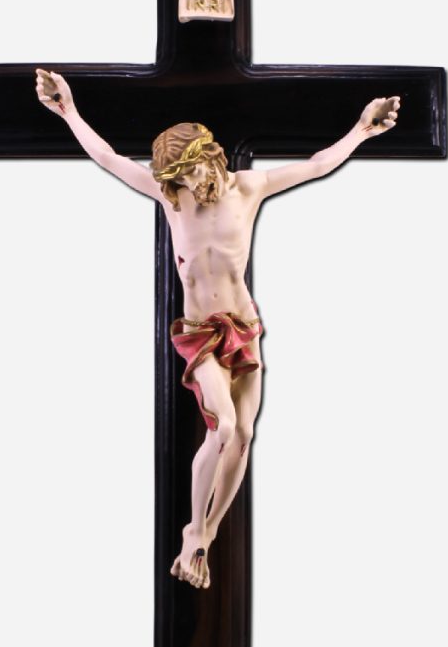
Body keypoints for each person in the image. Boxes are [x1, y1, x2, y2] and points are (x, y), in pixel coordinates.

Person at [35, 68, 400, 589]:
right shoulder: (172, 198)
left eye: (192, 174)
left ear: (210, 157)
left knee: (244, 434)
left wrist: (362, 130)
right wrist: (68, 110)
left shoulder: (250, 188)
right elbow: (110, 158)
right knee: (223, 427)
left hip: (243, 325)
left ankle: (203, 534)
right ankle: (193, 527)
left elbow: (318, 164)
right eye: (179, 180)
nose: (190, 186)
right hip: (200, 331)